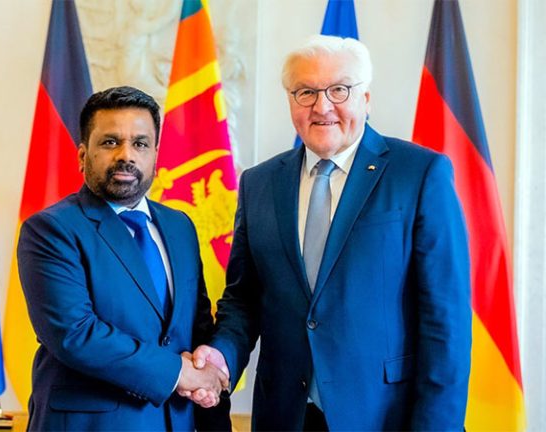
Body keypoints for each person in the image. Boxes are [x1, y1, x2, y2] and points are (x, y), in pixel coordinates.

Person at [191, 35, 472, 430]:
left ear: (366, 98)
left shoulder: (420, 174)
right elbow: (244, 299)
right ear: (291, 101)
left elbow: (445, 320)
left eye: (339, 89)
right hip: (285, 414)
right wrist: (221, 355)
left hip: (384, 414)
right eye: (306, 92)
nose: (322, 106)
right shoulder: (259, 183)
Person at [17, 86, 230, 431]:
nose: (126, 155)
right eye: (110, 142)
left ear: (156, 155)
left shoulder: (180, 226)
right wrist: (181, 374)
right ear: (82, 155)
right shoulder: (50, 230)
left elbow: (197, 323)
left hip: (177, 420)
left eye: (140, 143)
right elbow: (75, 334)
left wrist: (208, 378)